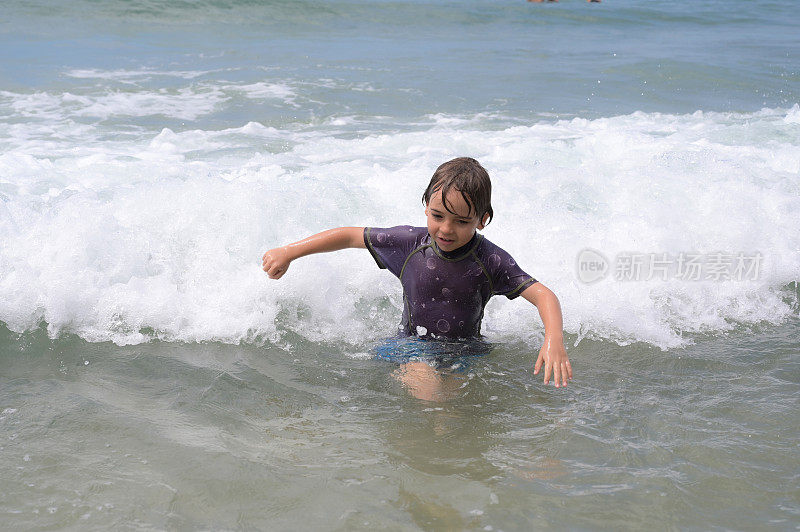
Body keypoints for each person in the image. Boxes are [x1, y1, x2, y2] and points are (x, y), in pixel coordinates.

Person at [262, 157, 572, 387]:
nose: (446, 229)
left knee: (449, 411)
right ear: (425, 205)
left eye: (461, 222)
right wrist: (289, 251)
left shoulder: (491, 261)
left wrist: (553, 340)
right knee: (428, 390)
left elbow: (544, 296)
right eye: (437, 216)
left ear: (482, 219)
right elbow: (350, 235)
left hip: (466, 353)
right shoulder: (410, 244)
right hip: (410, 347)